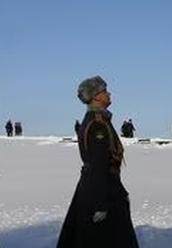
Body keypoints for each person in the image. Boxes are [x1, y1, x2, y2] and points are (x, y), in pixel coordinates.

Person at [56, 76, 138, 248]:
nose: (109, 94)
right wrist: (100, 203)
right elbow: (98, 163)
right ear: (96, 97)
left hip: (101, 187)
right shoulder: (97, 125)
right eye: (104, 91)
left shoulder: (101, 120)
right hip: (100, 191)